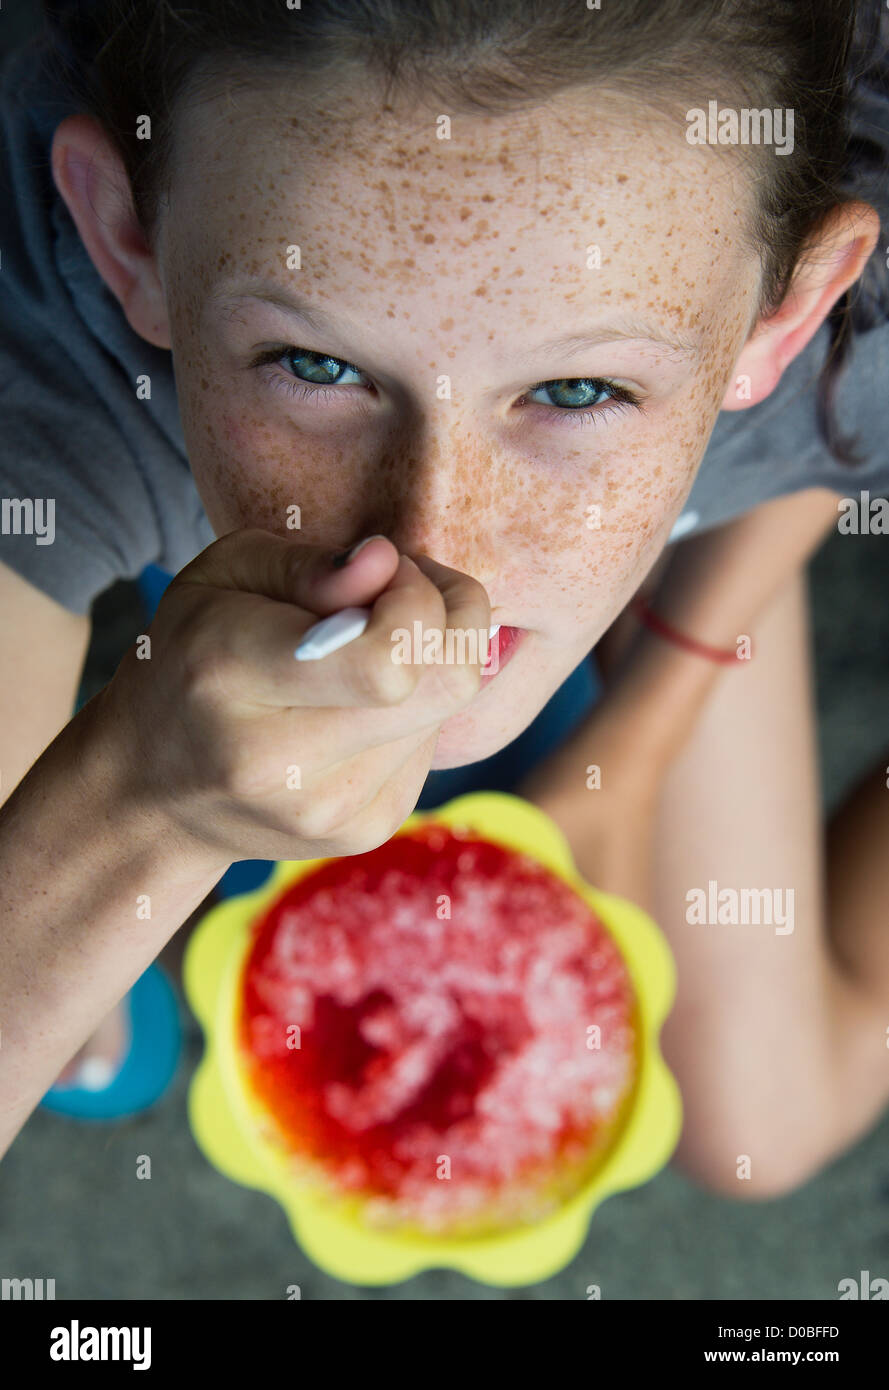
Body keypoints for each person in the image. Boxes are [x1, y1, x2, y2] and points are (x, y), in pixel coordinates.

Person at [0, 0, 887, 1200]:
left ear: (786, 315)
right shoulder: (41, 358)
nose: (432, 554)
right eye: (315, 365)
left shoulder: (847, 367)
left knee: (764, 1127)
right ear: (125, 241)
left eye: (577, 387)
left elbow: (812, 452)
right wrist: (135, 809)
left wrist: (642, 736)